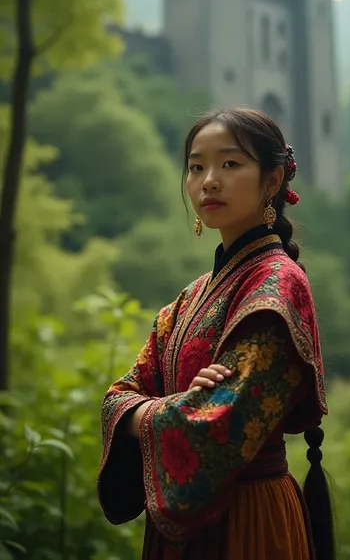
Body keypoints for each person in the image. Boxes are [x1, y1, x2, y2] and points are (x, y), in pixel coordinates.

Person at [97, 108, 335, 560]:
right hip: (180, 534)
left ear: (272, 180)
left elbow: (222, 420)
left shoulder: (277, 285)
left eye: (230, 164)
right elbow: (116, 395)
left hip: (249, 518)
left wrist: (145, 411)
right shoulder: (188, 299)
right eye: (196, 166)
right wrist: (172, 405)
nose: (208, 180)